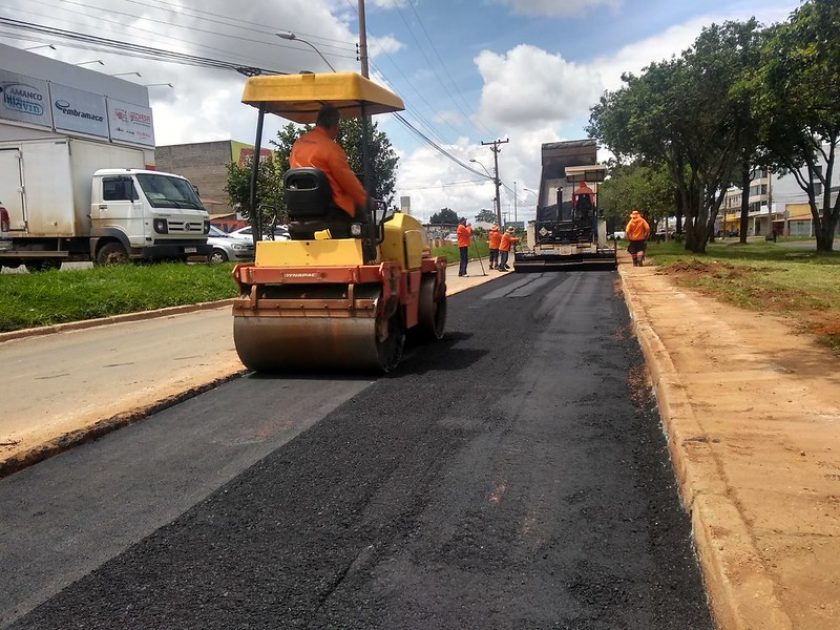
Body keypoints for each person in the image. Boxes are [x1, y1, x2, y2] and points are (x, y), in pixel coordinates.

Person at [290, 104, 367, 219]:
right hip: (332, 211)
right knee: (366, 220)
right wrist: (366, 200)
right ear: (334, 126)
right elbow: (347, 181)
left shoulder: (298, 144)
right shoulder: (331, 148)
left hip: (299, 211)